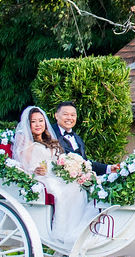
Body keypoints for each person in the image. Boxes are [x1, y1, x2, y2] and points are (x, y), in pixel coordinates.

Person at [12, 105, 96, 240]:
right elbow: (22, 165)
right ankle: (62, 234)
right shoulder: (25, 140)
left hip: (53, 175)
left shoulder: (49, 140)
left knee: (77, 187)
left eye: (41, 121)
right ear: (28, 124)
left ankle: (77, 229)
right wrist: (34, 170)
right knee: (65, 190)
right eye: (33, 122)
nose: (38, 124)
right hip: (38, 178)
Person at [51, 100, 114, 176]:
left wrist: (109, 168)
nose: (69, 118)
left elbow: (85, 163)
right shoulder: (50, 135)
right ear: (56, 116)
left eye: (73, 115)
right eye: (65, 114)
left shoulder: (78, 139)